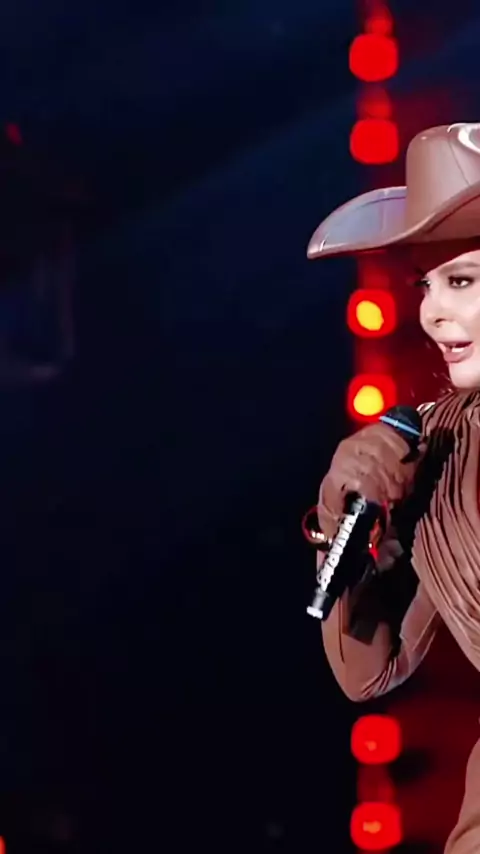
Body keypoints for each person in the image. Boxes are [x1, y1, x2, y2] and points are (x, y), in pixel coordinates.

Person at [308, 122, 480, 854]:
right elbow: (368, 672)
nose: (433, 312)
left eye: (462, 280)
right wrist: (343, 518)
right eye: (425, 285)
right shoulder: (438, 446)